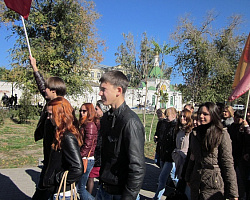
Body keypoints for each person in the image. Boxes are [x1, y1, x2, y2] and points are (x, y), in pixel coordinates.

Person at [96, 70, 145, 200]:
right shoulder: (107, 118)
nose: (100, 93)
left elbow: (137, 167)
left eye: (103, 89)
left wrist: (128, 197)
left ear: (118, 90)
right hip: (103, 190)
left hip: (120, 194)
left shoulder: (130, 122)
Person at [30, 56, 67, 200]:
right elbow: (40, 85)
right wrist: (35, 67)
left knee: (41, 192)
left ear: (54, 91)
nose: (44, 90)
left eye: (47, 88)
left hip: (54, 161)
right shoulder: (52, 103)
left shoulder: (61, 109)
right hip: (48, 158)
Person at [185, 102, 238, 200]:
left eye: (205, 114)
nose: (201, 116)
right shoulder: (195, 134)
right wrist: (188, 177)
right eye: (200, 113)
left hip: (213, 182)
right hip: (196, 181)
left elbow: (228, 163)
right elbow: (191, 157)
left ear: (213, 115)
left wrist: (233, 193)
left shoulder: (221, 134)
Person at [44, 97, 84, 199]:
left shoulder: (67, 137)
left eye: (51, 114)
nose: (48, 117)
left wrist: (57, 178)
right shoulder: (59, 133)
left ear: (60, 115)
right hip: (57, 191)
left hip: (63, 194)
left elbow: (78, 168)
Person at [153, 107, 178, 200]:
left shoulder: (175, 126)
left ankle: (156, 197)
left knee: (162, 178)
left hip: (170, 157)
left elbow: (174, 142)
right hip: (163, 153)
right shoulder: (165, 124)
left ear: (174, 116)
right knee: (173, 177)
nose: (166, 118)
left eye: (168, 116)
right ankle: (180, 188)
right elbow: (162, 137)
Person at [87, 100, 109, 195]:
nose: (95, 111)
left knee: (94, 177)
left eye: (97, 109)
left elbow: (100, 140)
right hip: (98, 154)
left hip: (100, 154)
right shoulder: (97, 121)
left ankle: (89, 196)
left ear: (102, 110)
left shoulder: (104, 122)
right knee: (91, 177)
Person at [78, 103, 100, 200]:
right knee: (80, 187)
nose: (81, 113)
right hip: (84, 157)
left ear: (89, 112)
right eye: (80, 111)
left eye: (84, 111)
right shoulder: (85, 123)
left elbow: (88, 145)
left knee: (81, 187)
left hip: (86, 158)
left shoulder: (90, 125)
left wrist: (77, 156)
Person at [228, 110, 250, 199]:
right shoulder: (234, 126)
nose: (248, 114)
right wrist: (241, 131)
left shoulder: (247, 126)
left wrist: (247, 128)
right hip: (239, 156)